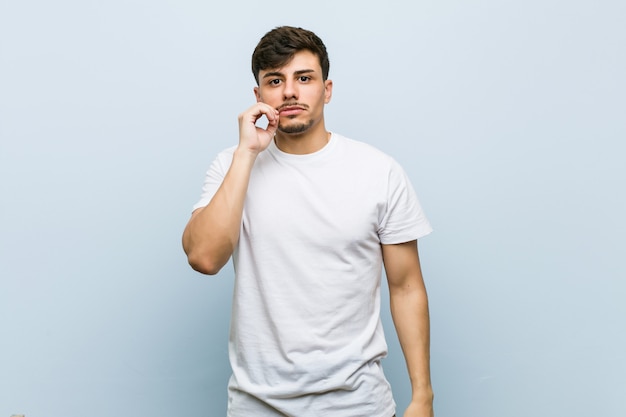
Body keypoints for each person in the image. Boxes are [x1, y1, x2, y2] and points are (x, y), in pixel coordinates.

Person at [182, 26, 434, 417]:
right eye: (275, 81)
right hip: (256, 405)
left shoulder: (378, 171)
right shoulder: (231, 165)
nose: (289, 92)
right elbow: (203, 257)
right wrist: (247, 154)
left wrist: (422, 396)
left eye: (304, 78)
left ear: (326, 89)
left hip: (358, 404)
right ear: (258, 96)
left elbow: (406, 287)